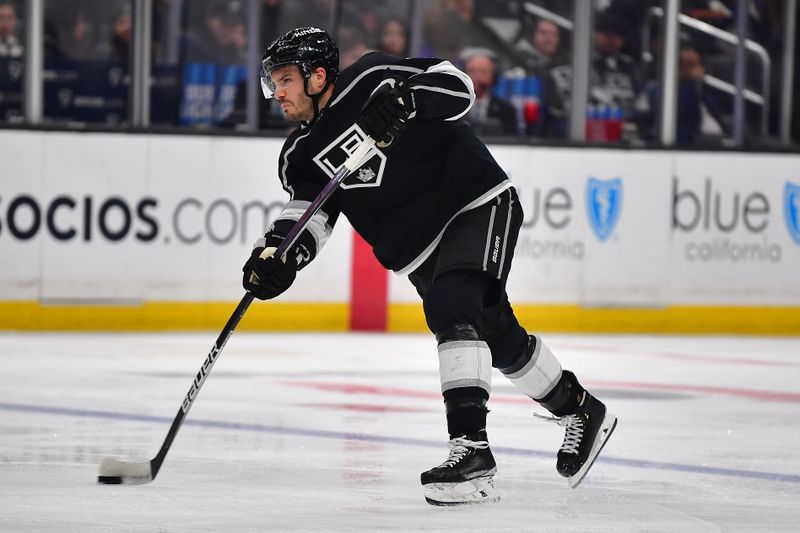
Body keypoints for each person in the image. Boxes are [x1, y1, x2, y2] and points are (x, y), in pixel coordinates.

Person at [242, 27, 617, 506]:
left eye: (286, 79)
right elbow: (310, 217)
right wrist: (277, 255)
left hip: (475, 202)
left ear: (318, 77)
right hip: (419, 251)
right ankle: (581, 409)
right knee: (497, 336)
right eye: (274, 81)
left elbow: (460, 88)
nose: (277, 92)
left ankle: (472, 452)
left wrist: (409, 100)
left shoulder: (375, 76)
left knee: (451, 306)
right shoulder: (298, 155)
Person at [462, 49, 518, 136]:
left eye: (483, 72)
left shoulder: (506, 110)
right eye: (472, 71)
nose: (477, 77)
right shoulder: (453, 107)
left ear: (493, 77)